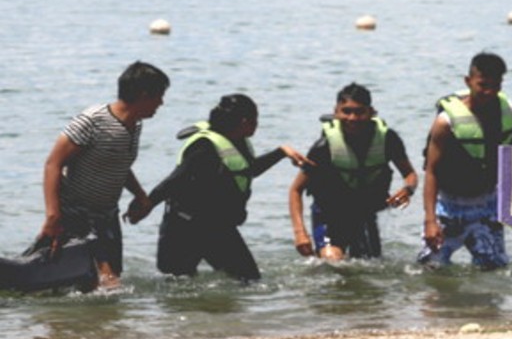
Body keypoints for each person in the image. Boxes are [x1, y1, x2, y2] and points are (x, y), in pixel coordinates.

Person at [137, 94, 309, 282]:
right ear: (245, 122)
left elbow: (247, 170)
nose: (257, 125)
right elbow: (174, 181)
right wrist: (147, 204)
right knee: (177, 286)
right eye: (255, 120)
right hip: (183, 229)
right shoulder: (205, 147)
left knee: (249, 280)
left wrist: (281, 152)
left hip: (217, 228)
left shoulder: (237, 140)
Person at [37, 61, 170, 289]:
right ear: (143, 95)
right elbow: (53, 164)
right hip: (76, 212)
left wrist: (140, 195)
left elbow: (118, 163)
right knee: (108, 282)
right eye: (159, 96)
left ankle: (93, 324)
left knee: (103, 281)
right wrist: (53, 216)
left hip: (107, 215)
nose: (161, 103)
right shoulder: (93, 120)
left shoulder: (134, 125)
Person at [289, 83, 418, 261]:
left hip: (364, 212)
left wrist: (408, 190)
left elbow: (410, 175)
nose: (352, 118)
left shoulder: (388, 139)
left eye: (359, 112)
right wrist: (300, 233)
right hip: (329, 213)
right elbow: (296, 190)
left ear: (371, 112)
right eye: (346, 111)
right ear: (336, 112)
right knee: (332, 259)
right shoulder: (324, 147)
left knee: (371, 267)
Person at [419, 52, 512, 269]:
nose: (489, 92)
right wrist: (430, 221)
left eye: (495, 85)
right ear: (468, 81)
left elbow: (509, 159)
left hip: (487, 206)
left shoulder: (508, 111)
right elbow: (431, 171)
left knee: (495, 270)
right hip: (449, 208)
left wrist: (509, 205)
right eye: (482, 85)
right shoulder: (445, 123)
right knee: (431, 269)